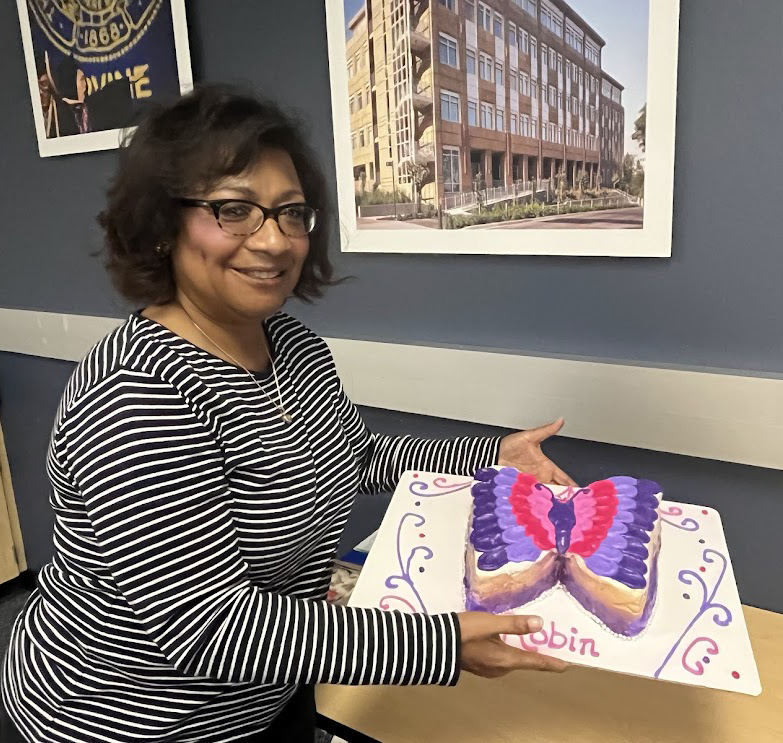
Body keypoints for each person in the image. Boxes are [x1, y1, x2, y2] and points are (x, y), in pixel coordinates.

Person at [0, 85, 571, 742]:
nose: (274, 240)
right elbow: (213, 626)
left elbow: (353, 454)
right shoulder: (137, 392)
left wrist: (489, 456)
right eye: (234, 210)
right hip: (131, 718)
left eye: (291, 213)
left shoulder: (293, 344)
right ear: (162, 226)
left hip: (268, 691)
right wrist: (438, 644)